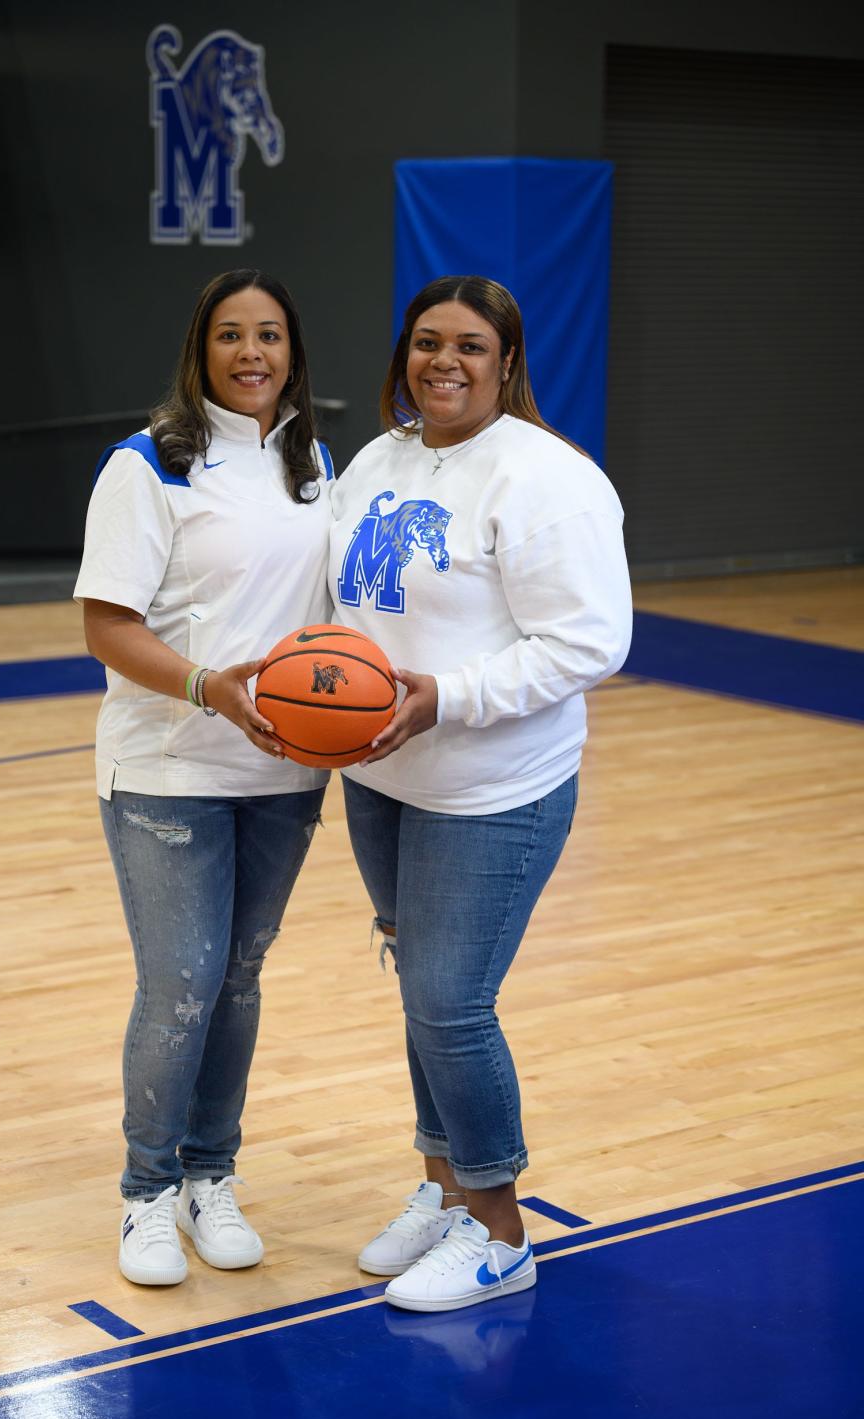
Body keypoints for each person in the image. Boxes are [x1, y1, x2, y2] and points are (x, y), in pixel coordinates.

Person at [328, 275, 632, 1313]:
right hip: (379, 776)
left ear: (506, 362)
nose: (442, 362)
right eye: (425, 343)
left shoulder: (548, 478)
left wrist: (444, 697)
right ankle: (446, 1186)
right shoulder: (379, 458)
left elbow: (592, 641)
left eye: (467, 346)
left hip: (494, 786)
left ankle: (502, 1232)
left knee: (451, 1005)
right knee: (421, 990)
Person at [74, 269, 332, 1285]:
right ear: (201, 349)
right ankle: (145, 1191)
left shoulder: (316, 466)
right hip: (167, 763)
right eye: (231, 335)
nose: (252, 353)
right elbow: (106, 626)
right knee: (181, 982)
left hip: (285, 771)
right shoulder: (146, 467)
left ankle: (207, 1175)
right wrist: (208, 687)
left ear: (292, 350)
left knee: (236, 979)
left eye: (270, 334)